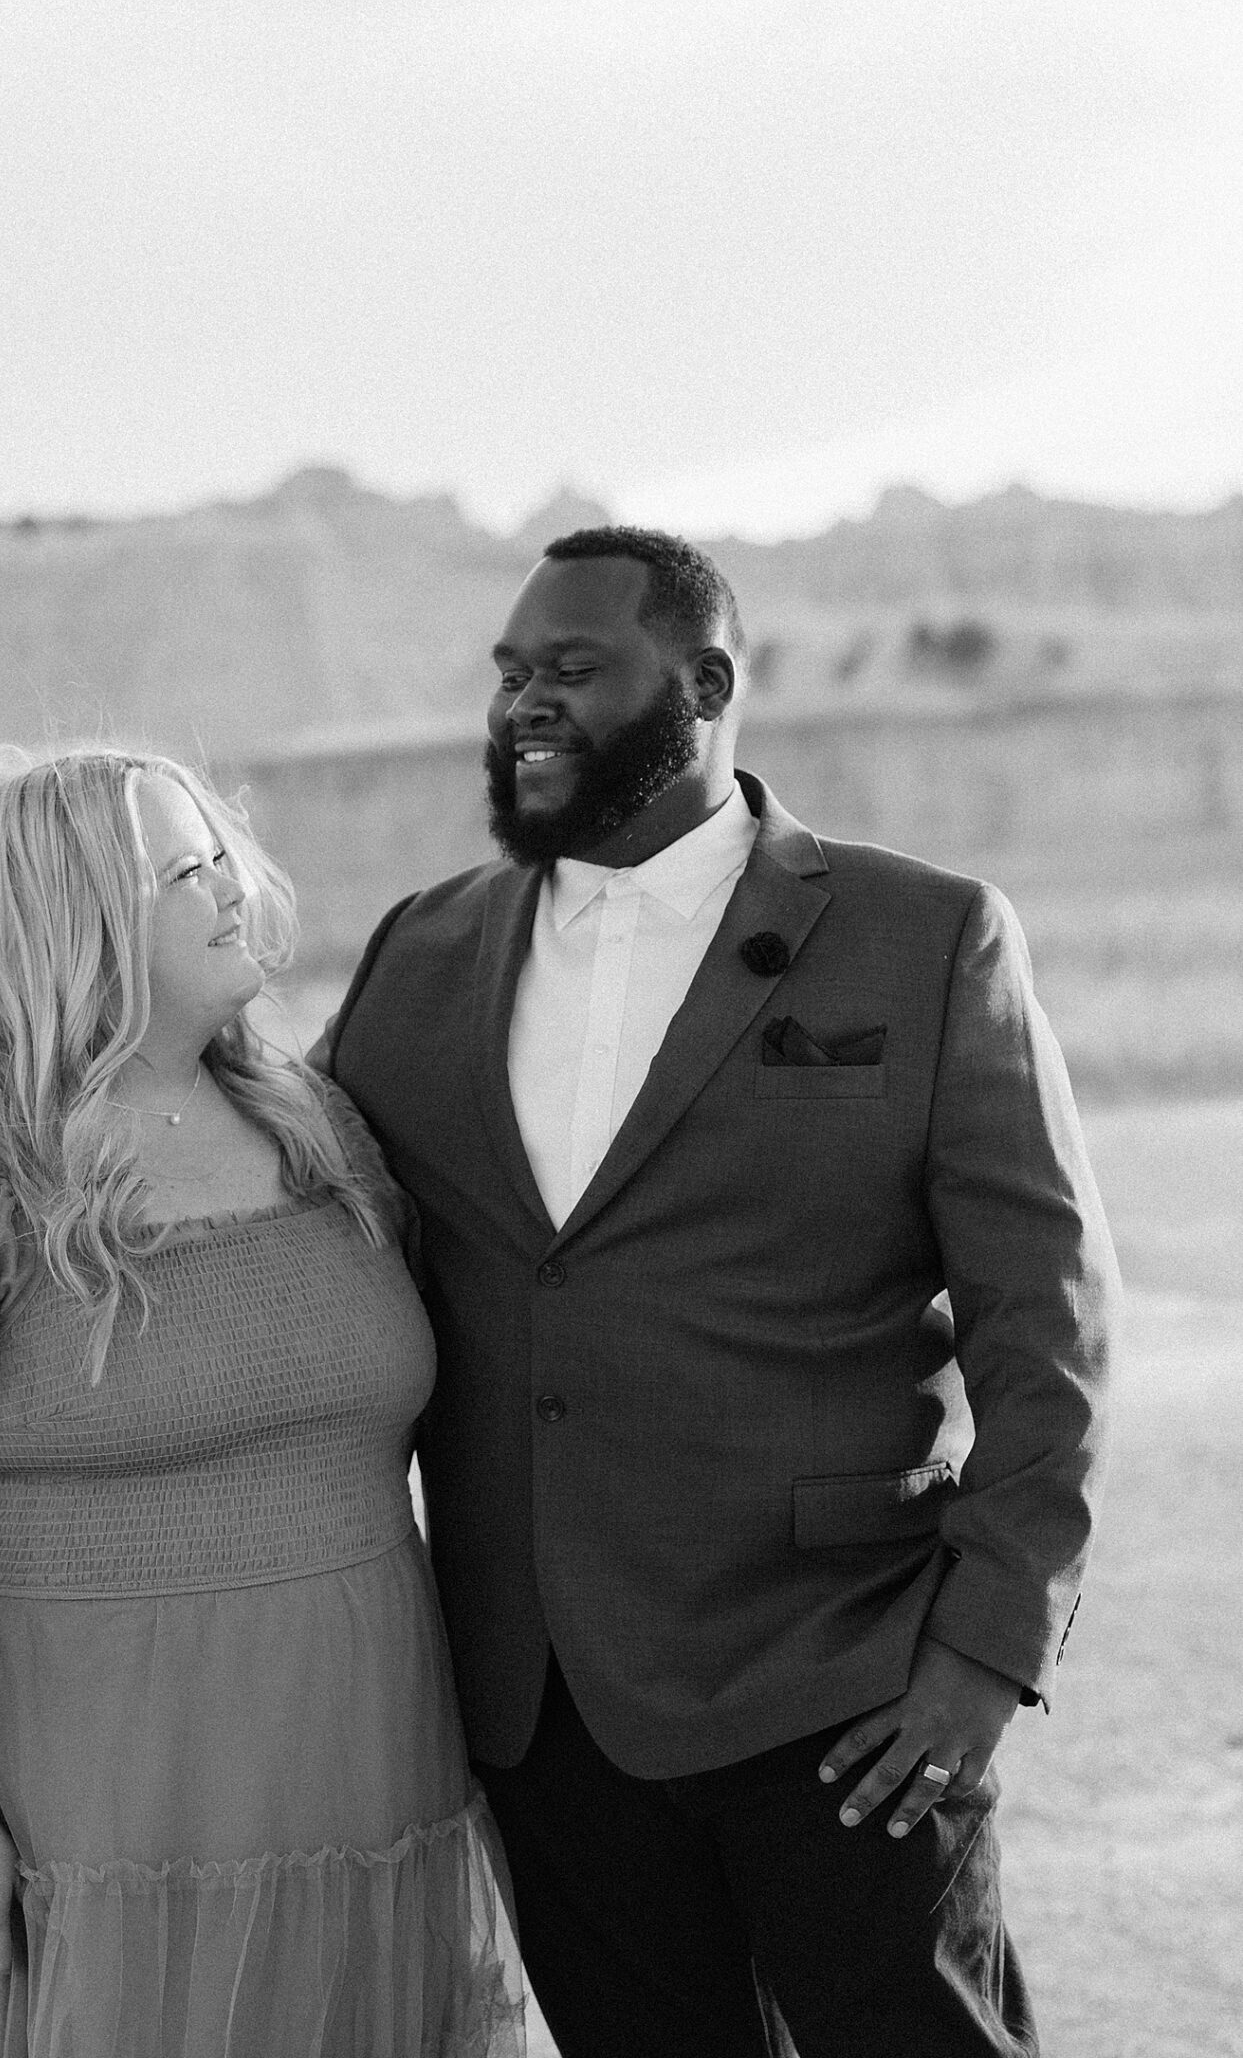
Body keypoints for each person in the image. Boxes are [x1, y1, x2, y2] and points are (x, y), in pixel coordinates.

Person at [314, 526, 1121, 2058]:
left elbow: (1051, 1322)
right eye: (507, 677)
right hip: (542, 1709)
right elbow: (297, 1215)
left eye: (569, 669)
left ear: (705, 683)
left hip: (845, 1681)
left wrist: (986, 1652)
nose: (522, 707)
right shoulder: (418, 955)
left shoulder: (922, 935)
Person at [0, 747, 523, 2058]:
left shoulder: (328, 1134)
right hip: (94, 1844)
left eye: (222, 852)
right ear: (79, 917)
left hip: (374, 1797)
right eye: (182, 870)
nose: (234, 888)